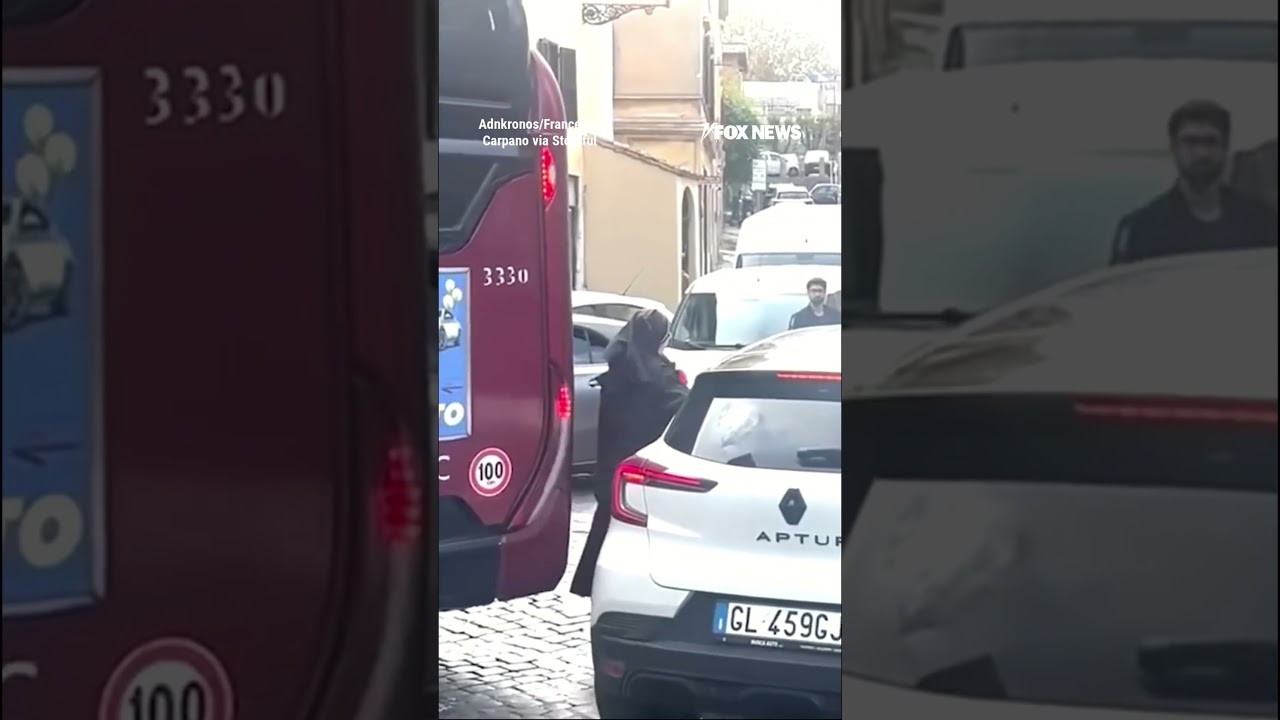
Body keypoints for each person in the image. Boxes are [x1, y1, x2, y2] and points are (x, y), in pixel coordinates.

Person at [570, 308, 688, 598]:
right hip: (650, 474)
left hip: (613, 469)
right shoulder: (663, 381)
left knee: (610, 538)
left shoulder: (617, 374)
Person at [1112, 100, 1277, 265]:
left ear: (1225, 148)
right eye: (1191, 142)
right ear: (1173, 148)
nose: (1202, 153)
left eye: (1211, 142)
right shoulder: (1143, 229)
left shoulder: (1261, 220)